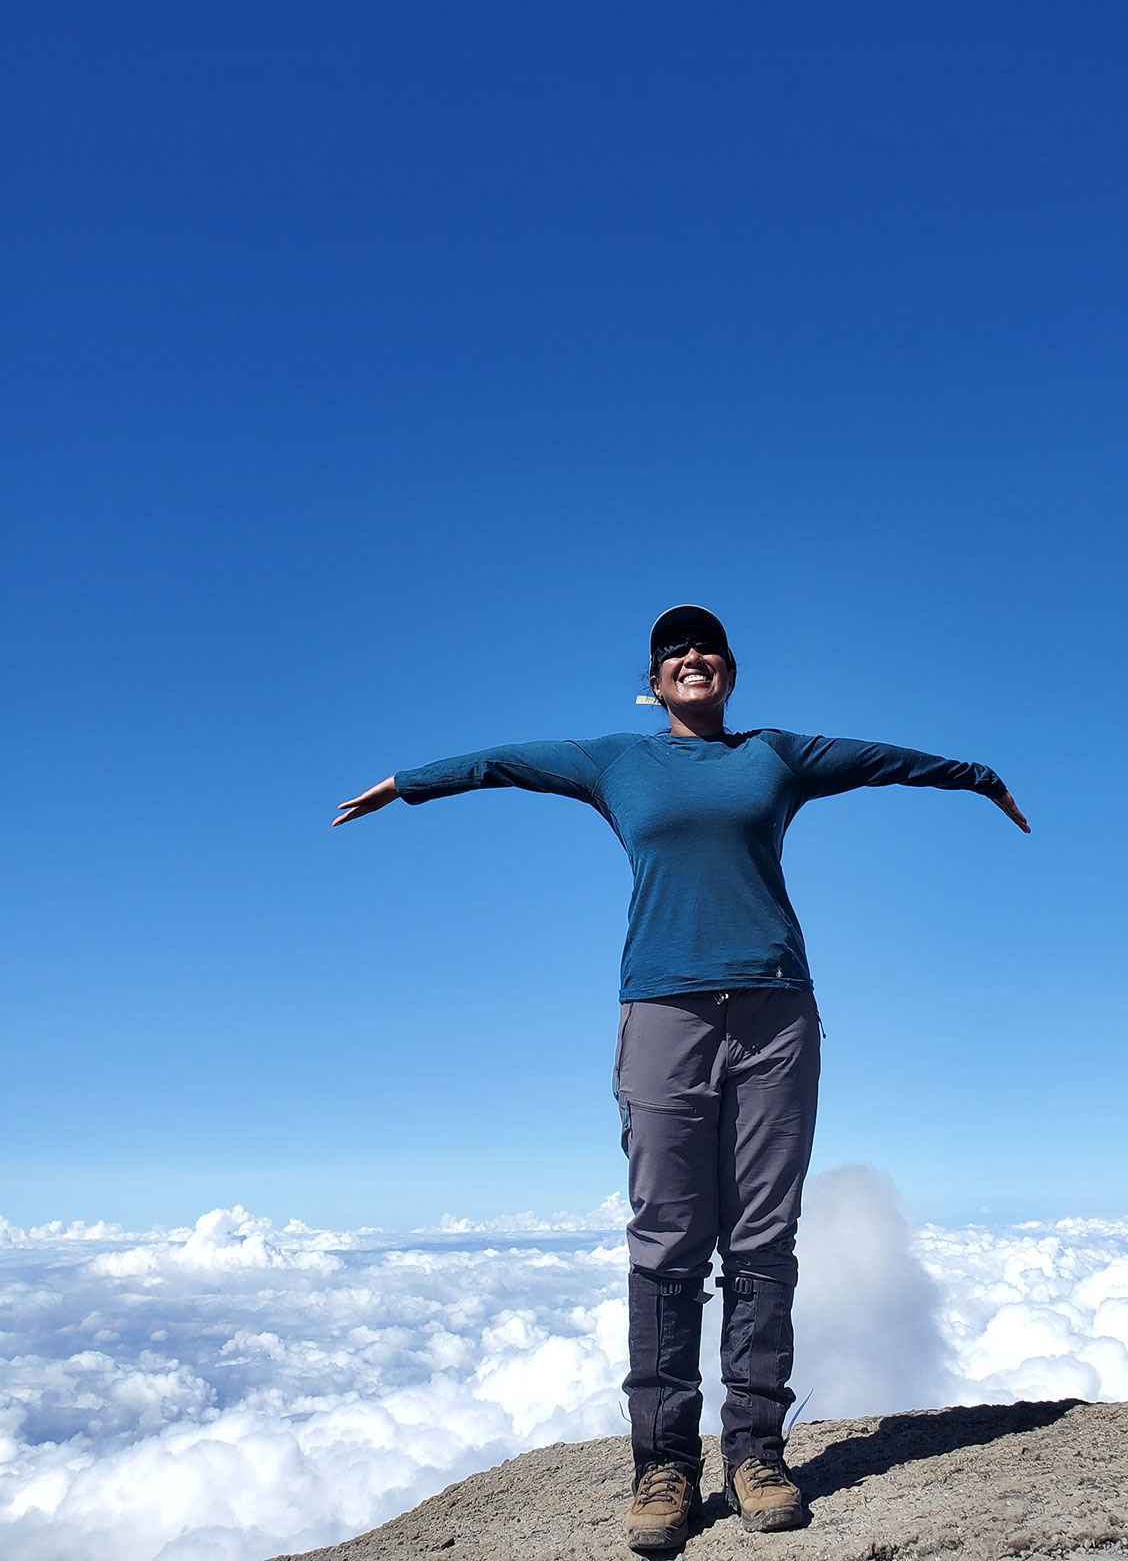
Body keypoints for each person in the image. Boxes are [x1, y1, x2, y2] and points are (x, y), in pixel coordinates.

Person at [334, 604, 1029, 1551]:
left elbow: (887, 761)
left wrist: (981, 780)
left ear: (729, 674)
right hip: (662, 1010)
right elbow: (502, 763)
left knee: (762, 1236)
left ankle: (755, 1454)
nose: (690, 657)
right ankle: (662, 1466)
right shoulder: (613, 762)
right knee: (666, 1237)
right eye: (672, 653)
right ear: (653, 683)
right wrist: (409, 784)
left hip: (776, 1010)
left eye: (705, 648)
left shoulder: (779, 756)